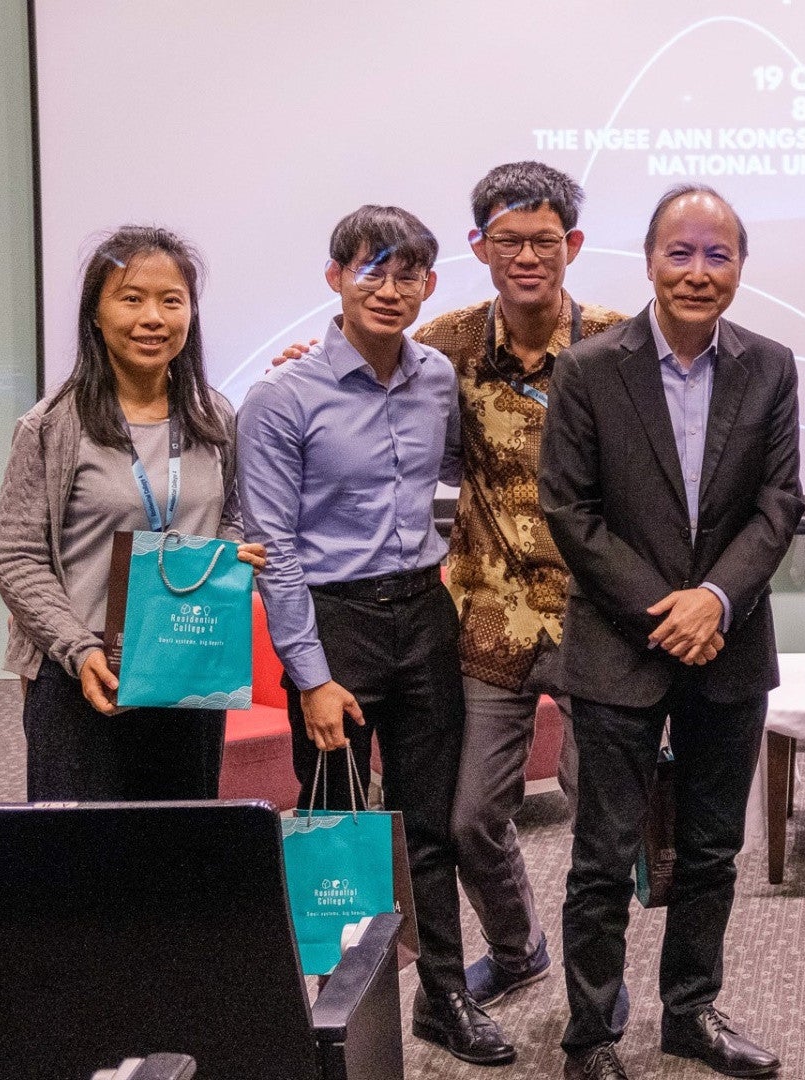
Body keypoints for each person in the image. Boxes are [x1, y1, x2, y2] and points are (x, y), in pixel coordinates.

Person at [272, 162, 628, 1009]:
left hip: (598, 622)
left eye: (545, 239)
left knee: (604, 821)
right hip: (488, 619)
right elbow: (369, 396)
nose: (528, 255)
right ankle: (517, 951)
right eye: (509, 241)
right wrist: (304, 363)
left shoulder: (621, 345)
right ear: (479, 249)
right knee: (465, 819)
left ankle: (599, 981)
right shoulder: (446, 349)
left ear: (572, 244)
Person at [238, 206, 514, 1066]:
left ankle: (444, 999)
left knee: (427, 823)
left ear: (430, 285)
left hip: (422, 613)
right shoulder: (283, 396)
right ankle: (338, 1012)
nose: (389, 290)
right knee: (337, 822)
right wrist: (311, 675)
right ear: (334, 278)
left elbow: (474, 469)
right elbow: (273, 549)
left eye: (407, 275)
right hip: (335, 622)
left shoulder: (437, 377)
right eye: (371, 271)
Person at [540, 184, 802, 1080]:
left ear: (739, 267)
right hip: (620, 646)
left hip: (729, 646)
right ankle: (590, 1037)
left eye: (718, 255)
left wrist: (716, 602)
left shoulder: (769, 366)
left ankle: (690, 1012)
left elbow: (778, 505)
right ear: (649, 259)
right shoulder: (587, 368)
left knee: (713, 850)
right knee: (604, 857)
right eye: (680, 253)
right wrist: (669, 609)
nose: (699, 271)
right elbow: (570, 512)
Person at [0, 225, 264, 801]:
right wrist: (78, 648)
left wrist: (228, 559)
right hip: (84, 667)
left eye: (172, 300)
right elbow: (15, 556)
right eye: (131, 298)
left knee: (176, 848)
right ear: (95, 313)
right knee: (80, 859)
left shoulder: (214, 417)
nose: (154, 318)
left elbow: (232, 518)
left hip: (187, 661)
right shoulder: (50, 427)